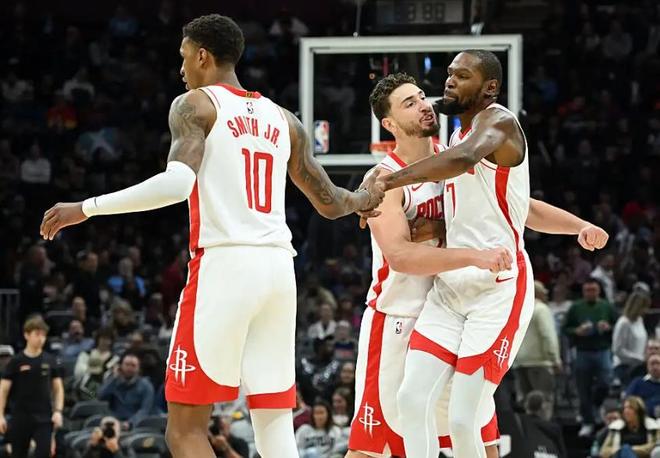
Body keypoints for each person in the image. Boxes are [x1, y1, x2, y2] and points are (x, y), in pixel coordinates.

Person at [39, 14, 384, 458]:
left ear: (202, 56)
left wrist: (86, 207)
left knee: (184, 429)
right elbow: (330, 201)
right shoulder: (284, 119)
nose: (181, 69)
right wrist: (364, 198)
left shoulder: (195, 105)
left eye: (184, 57)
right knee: (274, 421)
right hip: (279, 269)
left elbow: (176, 185)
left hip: (226, 266)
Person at [351, 72, 608, 458]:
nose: (424, 105)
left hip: (454, 309)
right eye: (409, 103)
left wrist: (578, 226)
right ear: (389, 124)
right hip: (399, 317)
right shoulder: (382, 179)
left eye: (422, 97)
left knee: (478, 433)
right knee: (373, 448)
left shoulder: (455, 156)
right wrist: (473, 254)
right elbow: (401, 257)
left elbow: (518, 206)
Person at [0, 316, 64, 458]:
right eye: (37, 334)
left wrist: (58, 411)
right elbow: (3, 390)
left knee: (44, 453)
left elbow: (58, 388)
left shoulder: (50, 360)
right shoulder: (16, 361)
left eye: (43, 335)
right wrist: (0, 415)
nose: (41, 338)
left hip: (44, 417)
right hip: (20, 417)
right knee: (18, 454)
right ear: (26, 335)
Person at [563, 279, 617, 437]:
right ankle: (587, 421)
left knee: (605, 382)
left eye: (593, 290)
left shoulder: (606, 306)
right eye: (587, 290)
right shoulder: (576, 307)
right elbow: (565, 328)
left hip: (603, 350)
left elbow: (617, 325)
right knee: (583, 387)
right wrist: (577, 331)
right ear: (583, 291)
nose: (590, 293)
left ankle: (595, 406)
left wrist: (608, 327)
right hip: (583, 351)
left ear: (599, 291)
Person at [513, 280, 561, 418]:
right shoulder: (541, 309)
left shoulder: (517, 309)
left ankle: (527, 431)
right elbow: (547, 335)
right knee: (542, 401)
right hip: (540, 362)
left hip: (519, 362)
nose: (546, 296)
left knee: (526, 403)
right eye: (544, 293)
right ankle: (543, 430)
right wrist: (555, 359)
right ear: (538, 293)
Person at [98, 352, 154, 429]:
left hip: (136, 425)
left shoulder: (146, 385)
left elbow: (145, 410)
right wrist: (114, 378)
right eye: (127, 364)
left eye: (133, 365)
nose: (129, 368)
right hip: (113, 423)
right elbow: (101, 397)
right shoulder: (114, 381)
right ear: (120, 366)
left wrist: (130, 423)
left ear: (139, 369)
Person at [613, 292, 651, 386]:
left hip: (640, 366)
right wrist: (639, 358)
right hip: (625, 367)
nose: (646, 310)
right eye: (644, 307)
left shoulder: (639, 320)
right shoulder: (624, 323)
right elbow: (617, 350)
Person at [625, 354, 660, 419]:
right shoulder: (638, 382)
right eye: (652, 364)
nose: (655, 367)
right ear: (647, 366)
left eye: (658, 363)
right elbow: (629, 400)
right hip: (642, 418)